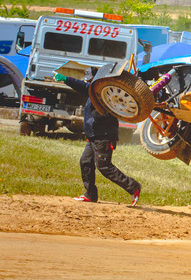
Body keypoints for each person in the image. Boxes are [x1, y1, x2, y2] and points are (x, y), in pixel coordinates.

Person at [54, 67, 141, 206]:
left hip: (104, 136)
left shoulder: (103, 92)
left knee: (104, 167)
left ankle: (133, 187)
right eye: (87, 79)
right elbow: (84, 87)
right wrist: (66, 80)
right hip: (93, 136)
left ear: (97, 79)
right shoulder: (94, 91)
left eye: (90, 79)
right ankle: (90, 194)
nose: (88, 81)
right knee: (85, 162)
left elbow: (84, 87)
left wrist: (67, 79)